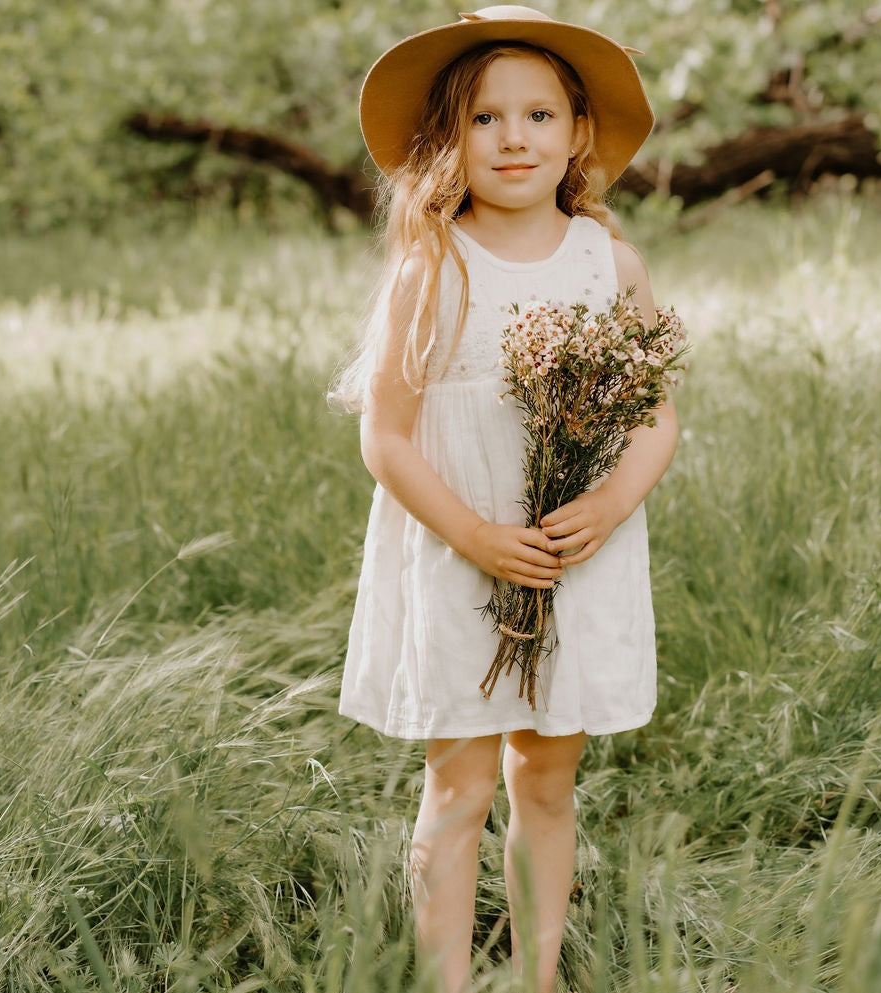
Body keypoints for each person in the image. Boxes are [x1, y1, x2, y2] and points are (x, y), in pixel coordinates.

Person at [332, 6, 679, 991]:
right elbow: (387, 438)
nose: (513, 137)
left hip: (572, 559)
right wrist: (479, 535)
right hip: (457, 554)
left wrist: (610, 505)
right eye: (485, 119)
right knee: (460, 782)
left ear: (577, 133)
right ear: (449, 139)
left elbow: (655, 420)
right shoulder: (432, 265)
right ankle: (442, 980)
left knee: (546, 777)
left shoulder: (608, 263)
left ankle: (536, 976)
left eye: (537, 115)